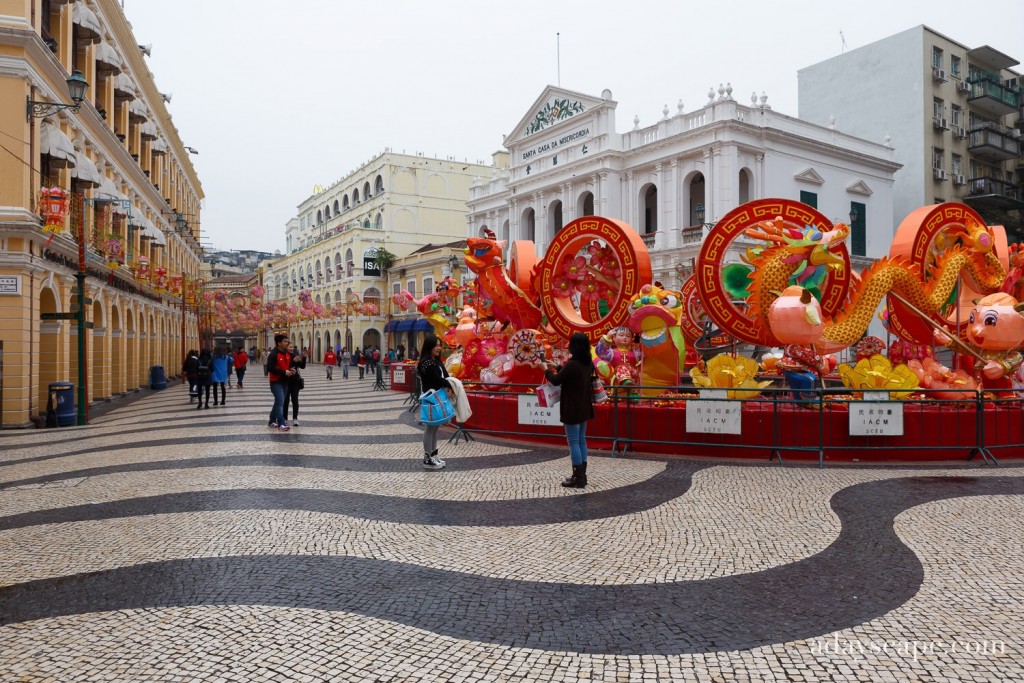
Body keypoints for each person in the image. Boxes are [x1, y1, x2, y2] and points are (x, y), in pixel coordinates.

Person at [544, 332, 596, 488]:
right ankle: (582, 476)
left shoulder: (572, 364)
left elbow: (556, 380)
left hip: (572, 408)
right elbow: (573, 374)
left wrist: (545, 370)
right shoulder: (588, 363)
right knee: (581, 440)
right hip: (584, 407)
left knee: (573, 442)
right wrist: (557, 367)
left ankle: (578, 477)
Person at [416, 335, 449, 470]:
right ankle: (427, 457)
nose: (438, 348)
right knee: (430, 427)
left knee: (435, 427)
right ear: (429, 347)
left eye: (439, 345)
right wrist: (450, 385)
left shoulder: (437, 361)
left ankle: (434, 454)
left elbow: (445, 375)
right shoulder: (426, 363)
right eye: (435, 345)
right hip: (430, 397)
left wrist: (449, 383)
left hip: (438, 396)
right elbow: (436, 379)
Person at [265, 333, 295, 431]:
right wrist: (283, 372)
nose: (287, 343)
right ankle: (281, 423)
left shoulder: (288, 354)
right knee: (280, 401)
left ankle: (272, 420)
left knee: (278, 401)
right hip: (275, 382)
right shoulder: (273, 354)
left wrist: (291, 370)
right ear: (279, 343)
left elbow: (289, 365)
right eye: (285, 341)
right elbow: (270, 368)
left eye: (287, 341)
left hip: (285, 381)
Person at [282, 341, 307, 427]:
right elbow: (283, 366)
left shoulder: (295, 356)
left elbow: (302, 366)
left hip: (295, 381)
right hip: (286, 381)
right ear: (286, 347)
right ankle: (284, 418)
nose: (291, 348)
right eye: (290, 347)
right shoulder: (284, 356)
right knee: (286, 401)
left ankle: (295, 418)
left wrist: (303, 358)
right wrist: (292, 362)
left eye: (292, 347)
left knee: (295, 400)